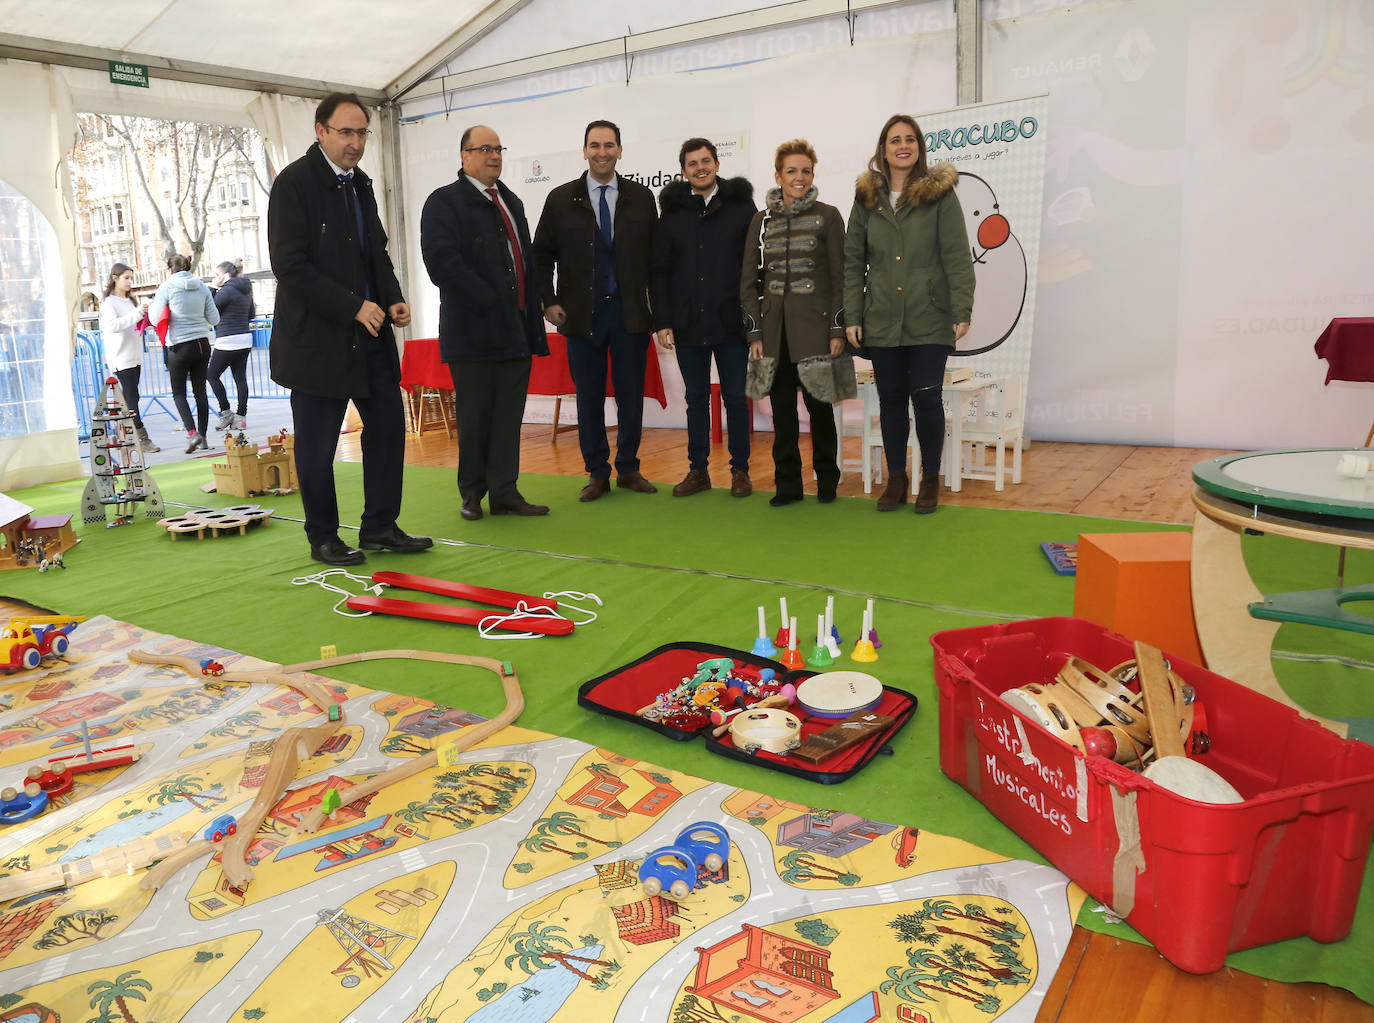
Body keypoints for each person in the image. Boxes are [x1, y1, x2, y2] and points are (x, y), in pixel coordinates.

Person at [268, 91, 432, 565]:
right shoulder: (294, 184)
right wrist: (353, 306)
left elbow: (374, 252)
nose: (356, 142)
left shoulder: (360, 184)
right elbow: (290, 266)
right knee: (318, 448)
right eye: (346, 132)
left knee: (387, 429)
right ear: (320, 131)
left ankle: (380, 526)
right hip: (316, 343)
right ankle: (323, 537)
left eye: (362, 132)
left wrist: (394, 297)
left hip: (372, 336)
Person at [843, 114, 974, 514]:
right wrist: (852, 314)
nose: (903, 145)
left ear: (919, 147)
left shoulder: (941, 196)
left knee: (927, 398)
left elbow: (956, 255)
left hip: (930, 315)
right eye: (894, 139)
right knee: (892, 400)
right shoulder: (866, 199)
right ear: (883, 149)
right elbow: (852, 260)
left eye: (910, 139)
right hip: (881, 315)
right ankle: (896, 479)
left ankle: (930, 478)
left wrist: (961, 308)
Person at [421, 124, 550, 521]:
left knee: (509, 417)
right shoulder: (444, 202)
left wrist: (537, 303)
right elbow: (443, 265)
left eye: (498, 149)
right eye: (484, 149)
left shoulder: (510, 200)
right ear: (464, 156)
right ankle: (472, 494)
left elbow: (526, 260)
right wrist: (492, 301)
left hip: (516, 330)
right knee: (476, 415)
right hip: (473, 333)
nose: (494, 156)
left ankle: (505, 492)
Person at [532, 120, 658, 502]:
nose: (602, 151)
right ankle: (597, 472)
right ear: (584, 150)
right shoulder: (559, 199)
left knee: (630, 394)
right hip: (580, 316)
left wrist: (660, 310)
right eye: (594, 145)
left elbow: (656, 259)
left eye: (609, 145)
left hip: (629, 314)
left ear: (621, 150)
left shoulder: (641, 198)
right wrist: (548, 301)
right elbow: (541, 256)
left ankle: (630, 468)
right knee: (587, 396)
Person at [740, 140, 846, 506]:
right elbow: (748, 280)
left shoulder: (829, 216)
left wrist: (836, 329)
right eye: (791, 171)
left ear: (813, 175)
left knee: (820, 410)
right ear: (777, 175)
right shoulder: (760, 219)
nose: (799, 178)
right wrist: (754, 332)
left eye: (806, 171)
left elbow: (840, 278)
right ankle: (787, 485)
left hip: (816, 332)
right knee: (781, 413)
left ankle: (827, 482)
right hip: (772, 335)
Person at [651, 137, 757, 498]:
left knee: (735, 397)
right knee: (695, 399)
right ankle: (698, 471)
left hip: (731, 322)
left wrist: (754, 319)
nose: (701, 168)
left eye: (706, 161)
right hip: (687, 322)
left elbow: (754, 267)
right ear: (683, 171)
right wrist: (662, 320)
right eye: (693, 163)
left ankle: (740, 470)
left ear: (716, 164)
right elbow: (660, 271)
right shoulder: (672, 213)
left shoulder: (742, 208)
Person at [149, 253, 218, 454]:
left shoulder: (166, 287)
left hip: (179, 345)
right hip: (202, 344)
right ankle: (203, 437)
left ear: (169, 270)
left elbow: (154, 318)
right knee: (200, 391)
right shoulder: (202, 286)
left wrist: (155, 304)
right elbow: (215, 319)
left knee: (179, 392)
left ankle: (192, 433)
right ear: (188, 268)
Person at [98, 262, 159, 452]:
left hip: (134, 353)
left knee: (131, 395)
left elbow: (133, 323)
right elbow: (113, 326)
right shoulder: (108, 303)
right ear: (115, 278)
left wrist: (145, 318)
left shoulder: (129, 301)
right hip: (120, 355)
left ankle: (121, 432)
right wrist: (138, 313)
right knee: (132, 397)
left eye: (131, 278)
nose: (129, 282)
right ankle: (141, 437)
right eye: (126, 278)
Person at [208, 259, 255, 433]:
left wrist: (213, 288)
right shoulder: (246, 290)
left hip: (228, 339)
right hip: (244, 339)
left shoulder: (226, 291)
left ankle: (226, 412)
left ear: (225, 275)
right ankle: (241, 417)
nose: (215, 278)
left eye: (217, 275)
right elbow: (251, 314)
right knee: (240, 378)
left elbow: (211, 311)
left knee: (211, 375)